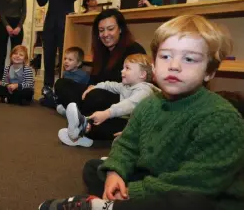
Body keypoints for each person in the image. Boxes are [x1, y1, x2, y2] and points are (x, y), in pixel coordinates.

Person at [39, 15, 244, 210]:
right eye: (165, 56)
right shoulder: (148, 105)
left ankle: (111, 205)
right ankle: (116, 203)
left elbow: (197, 183)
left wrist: (131, 191)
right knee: (95, 168)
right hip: (154, 177)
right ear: (154, 67)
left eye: (189, 59)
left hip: (196, 193)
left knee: (185, 200)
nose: (174, 66)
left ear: (209, 71)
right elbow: (127, 144)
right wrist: (115, 172)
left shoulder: (220, 117)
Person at [54, 9, 146, 140]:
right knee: (61, 83)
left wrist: (95, 89)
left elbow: (137, 91)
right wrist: (91, 87)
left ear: (120, 29)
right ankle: (81, 118)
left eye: (110, 29)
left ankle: (79, 118)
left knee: (94, 96)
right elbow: (94, 80)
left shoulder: (134, 51)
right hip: (98, 93)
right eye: (101, 30)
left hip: (121, 100)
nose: (105, 34)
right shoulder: (101, 50)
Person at [58, 54, 158, 147]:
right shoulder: (126, 85)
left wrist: (107, 113)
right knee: (101, 121)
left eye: (127, 68)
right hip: (125, 120)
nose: (122, 71)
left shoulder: (145, 90)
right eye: (123, 68)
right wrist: (94, 87)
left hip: (138, 128)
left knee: (111, 126)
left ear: (142, 74)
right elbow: (109, 85)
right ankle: (82, 130)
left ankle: (82, 130)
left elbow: (129, 105)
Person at [35, 0, 81, 89]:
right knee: (48, 57)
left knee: (64, 58)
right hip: (49, 25)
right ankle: (47, 87)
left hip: (65, 24)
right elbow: (41, 2)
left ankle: (62, 87)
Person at [0, 0, 28, 85]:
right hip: (4, 24)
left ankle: (15, 80)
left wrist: (19, 26)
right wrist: (7, 26)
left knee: (17, 55)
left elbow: (24, 12)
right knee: (2, 53)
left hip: (18, 24)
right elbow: (0, 11)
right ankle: (0, 80)